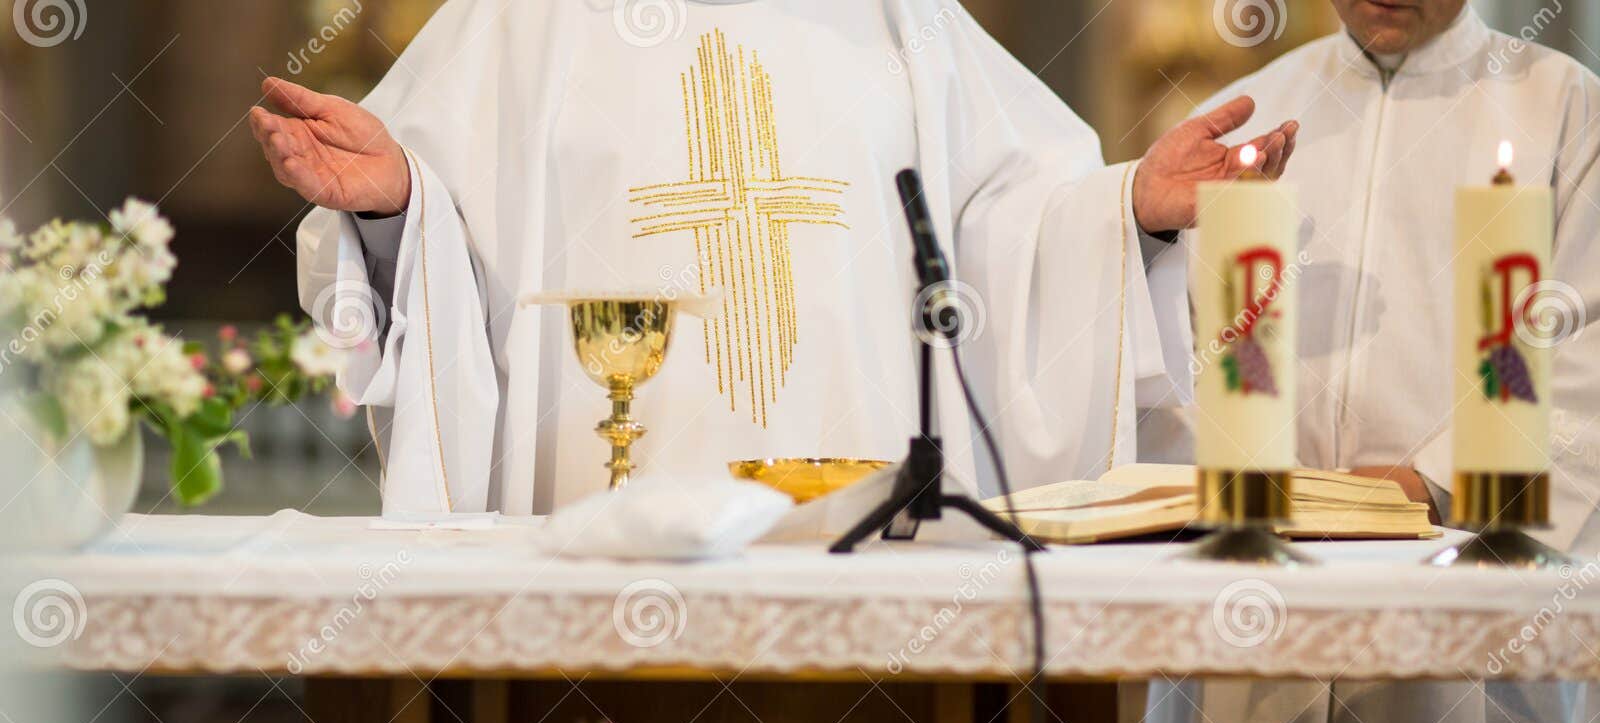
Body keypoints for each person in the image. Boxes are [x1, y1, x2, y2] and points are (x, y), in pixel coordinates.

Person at [250, 0, 1296, 515]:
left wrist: (1130, 214)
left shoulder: (898, 18)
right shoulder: (525, 20)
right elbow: (450, 248)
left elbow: (1000, 238)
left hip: (871, 540)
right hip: (596, 531)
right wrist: (397, 207)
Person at [1133, 0, 1600, 723]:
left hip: (1468, 582)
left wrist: (1428, 482)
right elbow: (1163, 356)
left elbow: (1587, 353)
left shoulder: (1567, 111)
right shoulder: (1252, 113)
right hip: (1257, 586)